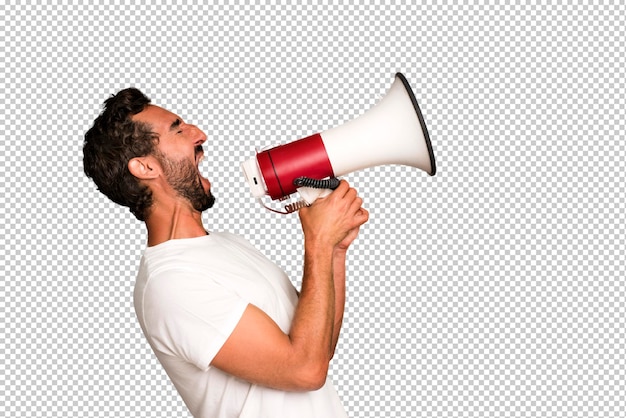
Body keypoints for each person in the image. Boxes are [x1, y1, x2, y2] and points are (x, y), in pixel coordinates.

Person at [83, 88, 369, 418]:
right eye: (178, 128)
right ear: (145, 167)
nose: (199, 133)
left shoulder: (228, 244)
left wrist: (335, 249)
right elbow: (305, 371)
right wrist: (317, 243)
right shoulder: (170, 283)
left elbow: (318, 349)